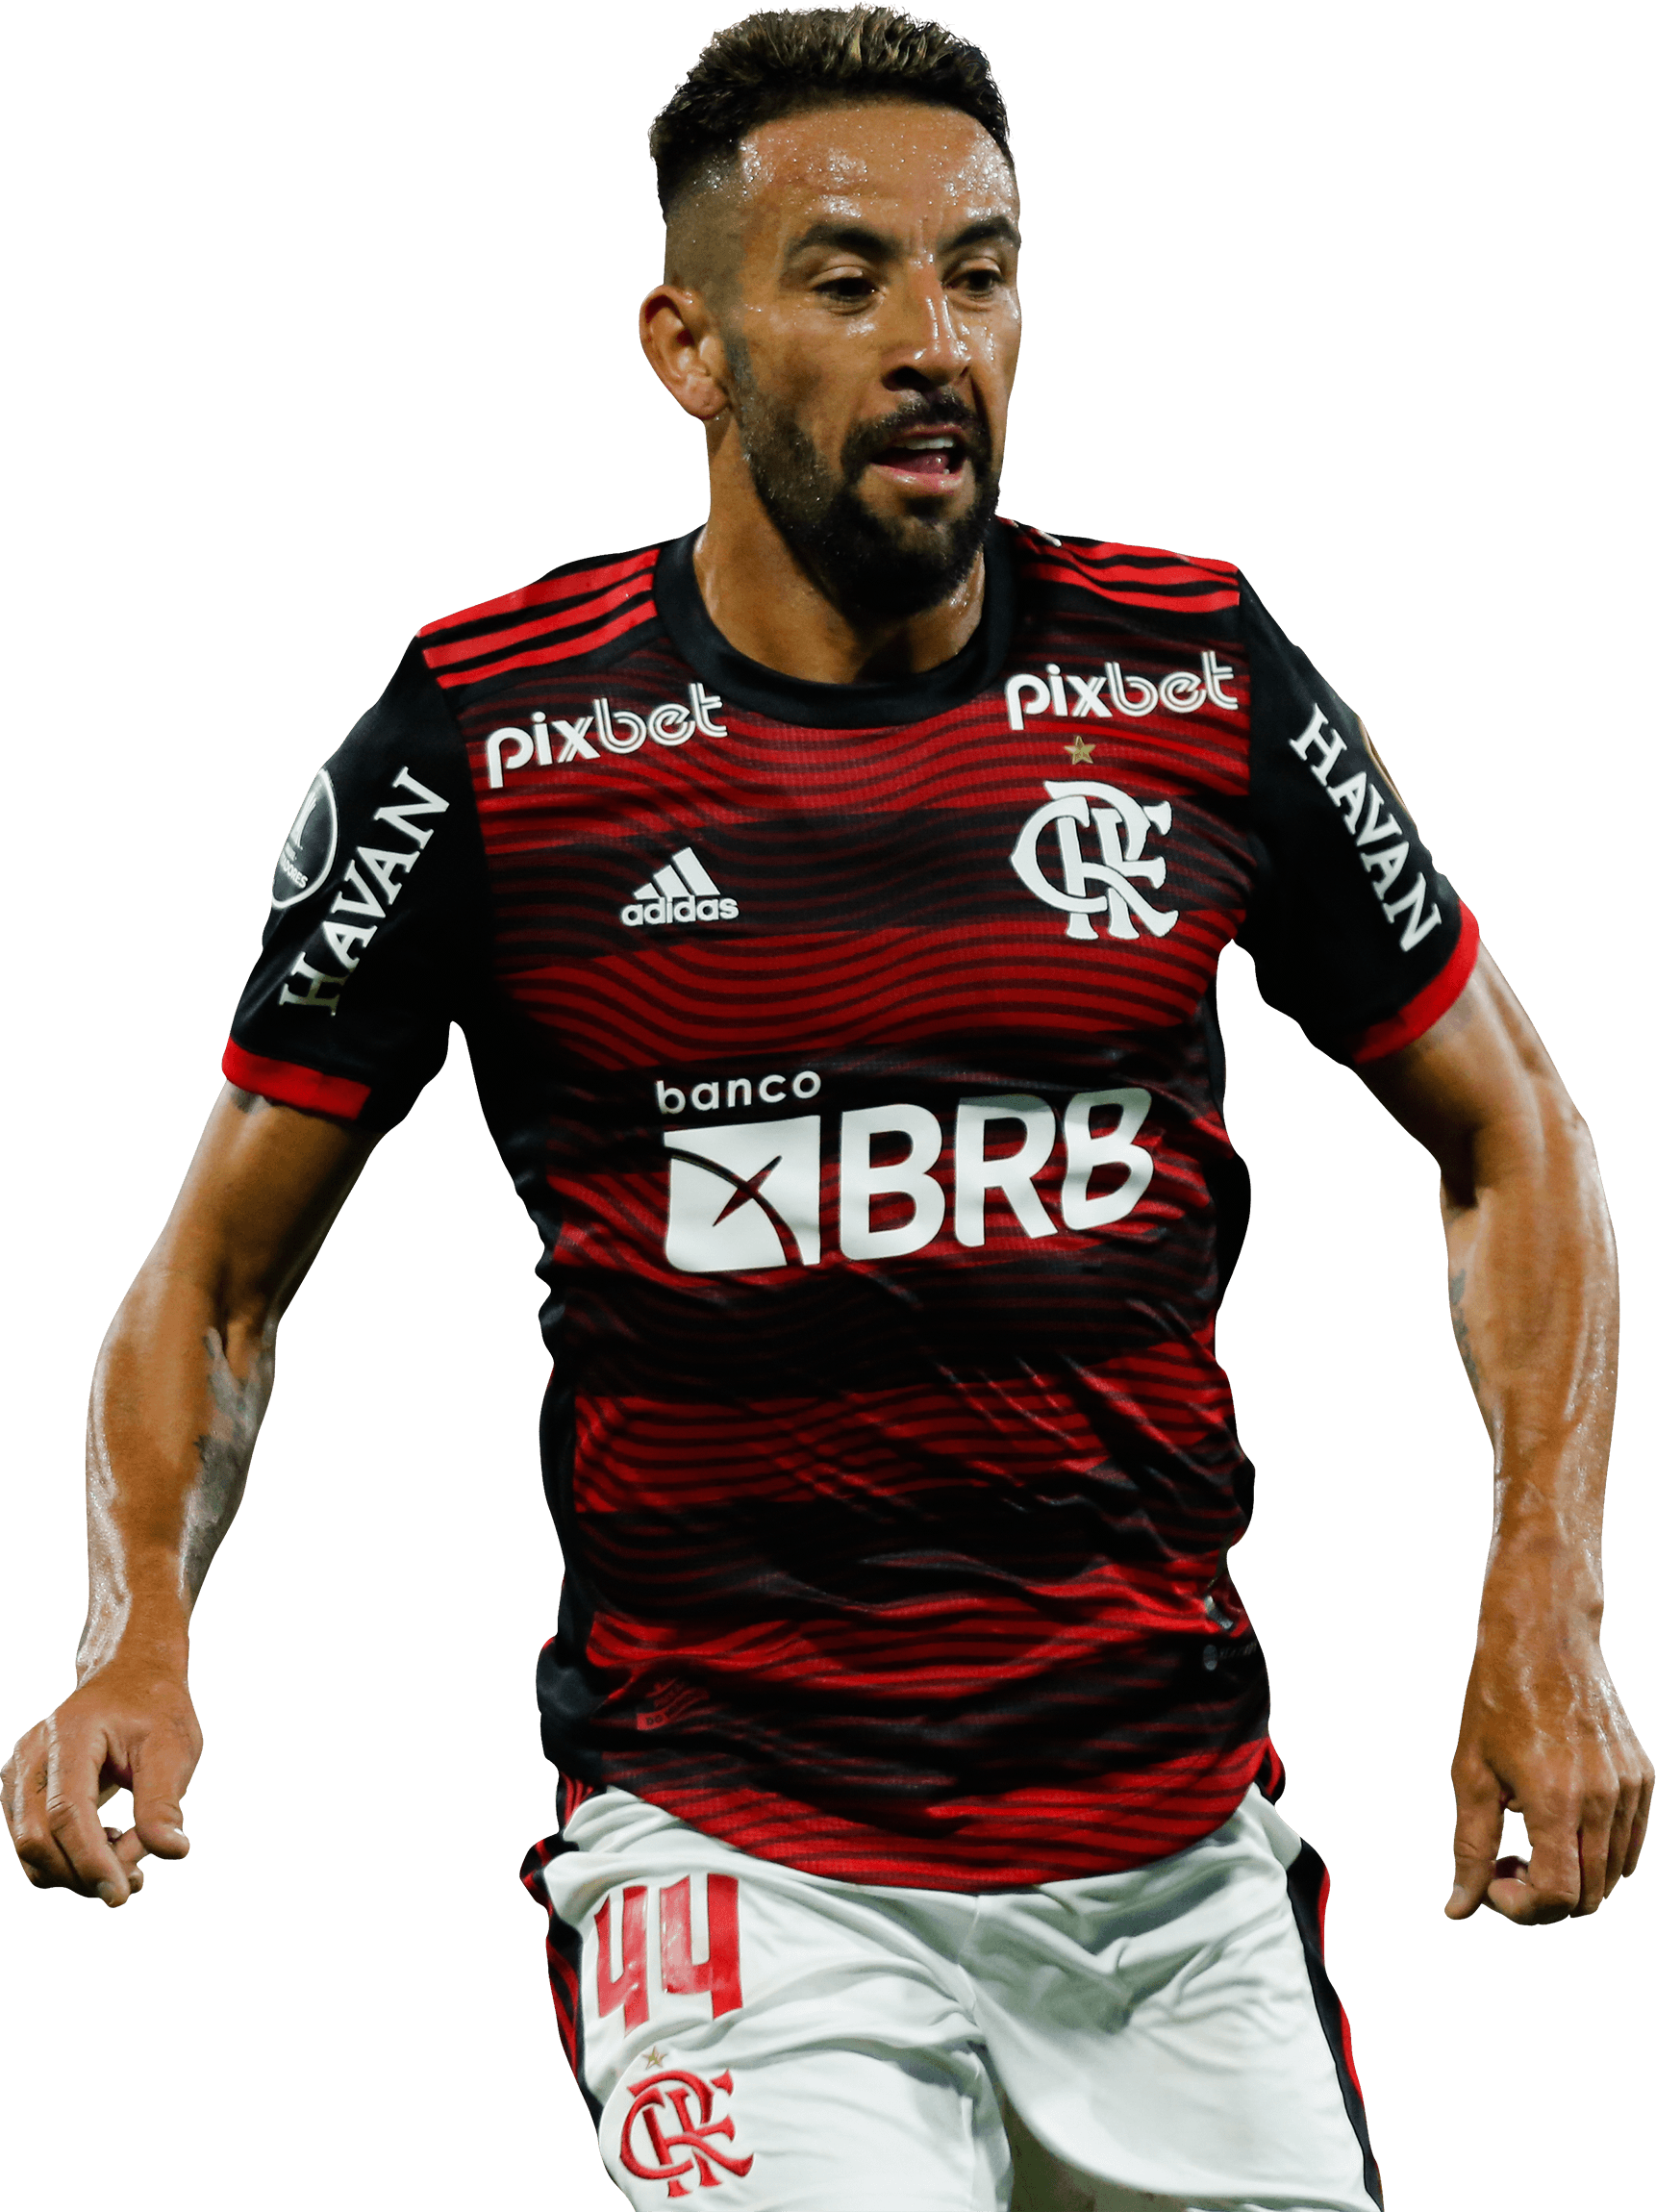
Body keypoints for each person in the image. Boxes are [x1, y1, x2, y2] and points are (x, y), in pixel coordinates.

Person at [5, 8, 1645, 2207]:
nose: (935, 342)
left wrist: (1546, 1607)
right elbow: (216, 1272)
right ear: (687, 343)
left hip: (1174, 1878)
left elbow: (1516, 1132)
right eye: (850, 279)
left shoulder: (1192, 677)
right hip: (749, 1860)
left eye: (981, 273)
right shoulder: (493, 742)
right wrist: (135, 1641)